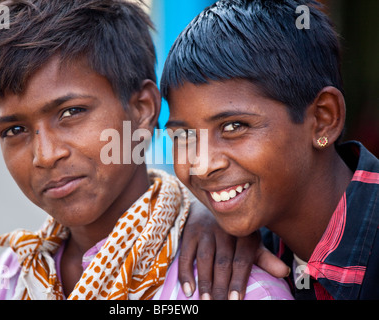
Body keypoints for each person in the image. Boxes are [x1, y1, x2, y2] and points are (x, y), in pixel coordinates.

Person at [0, 0, 292, 300]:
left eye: (71, 113)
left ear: (142, 109)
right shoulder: (12, 277)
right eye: (15, 130)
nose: (46, 155)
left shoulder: (232, 288)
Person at [161, 0, 379, 300]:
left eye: (234, 126)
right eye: (184, 135)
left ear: (322, 120)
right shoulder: (242, 248)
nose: (202, 165)